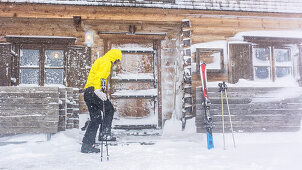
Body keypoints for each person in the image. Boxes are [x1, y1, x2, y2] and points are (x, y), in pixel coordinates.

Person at [81, 49, 122, 153]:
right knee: (109, 110)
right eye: (117, 61)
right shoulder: (106, 62)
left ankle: (87, 145)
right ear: (115, 58)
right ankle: (105, 133)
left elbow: (97, 76)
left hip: (88, 93)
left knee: (96, 119)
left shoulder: (101, 60)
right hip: (94, 92)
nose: (116, 64)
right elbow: (100, 77)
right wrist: (98, 90)